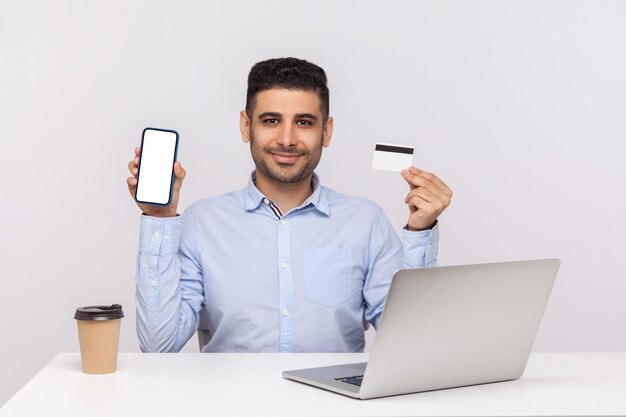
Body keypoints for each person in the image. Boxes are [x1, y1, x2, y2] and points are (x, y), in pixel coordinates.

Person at [126, 57, 452, 353]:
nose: (286, 139)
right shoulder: (202, 222)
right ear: (246, 126)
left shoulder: (365, 223)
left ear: (326, 131)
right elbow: (159, 346)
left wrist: (420, 232)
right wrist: (159, 218)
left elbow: (414, 342)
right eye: (270, 120)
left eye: (304, 123)